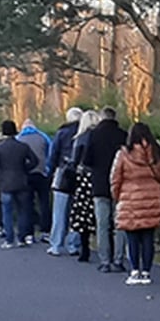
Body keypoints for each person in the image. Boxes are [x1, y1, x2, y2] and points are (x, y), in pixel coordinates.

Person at [111, 123, 160, 286]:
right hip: (151, 198)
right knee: (148, 237)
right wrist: (157, 191)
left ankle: (135, 270)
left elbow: (115, 178)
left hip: (130, 199)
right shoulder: (157, 153)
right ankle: (147, 272)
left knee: (133, 238)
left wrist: (118, 197)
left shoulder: (124, 154)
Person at [88, 107, 129, 273]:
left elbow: (87, 160)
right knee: (120, 223)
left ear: (101, 117)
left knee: (102, 224)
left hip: (100, 184)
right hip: (120, 185)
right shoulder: (123, 135)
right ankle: (118, 259)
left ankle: (105, 260)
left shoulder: (94, 135)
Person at [0, 120, 38, 249]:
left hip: (5, 183)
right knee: (23, 211)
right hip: (21, 181)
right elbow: (35, 161)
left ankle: (9, 239)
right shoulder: (23, 147)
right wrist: (25, 169)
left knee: (7, 212)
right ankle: (21, 238)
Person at [47, 107, 83, 256]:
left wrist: (50, 171)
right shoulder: (84, 133)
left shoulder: (62, 132)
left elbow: (53, 154)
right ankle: (73, 244)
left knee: (59, 212)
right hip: (80, 175)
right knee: (76, 212)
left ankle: (56, 244)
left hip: (63, 173)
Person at [69, 111, 101, 262]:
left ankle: (84, 248)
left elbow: (75, 160)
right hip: (99, 177)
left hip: (84, 179)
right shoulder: (99, 137)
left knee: (83, 214)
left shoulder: (80, 138)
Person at [18, 119, 53, 244]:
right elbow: (50, 154)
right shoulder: (43, 137)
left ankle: (29, 233)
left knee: (28, 204)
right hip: (42, 173)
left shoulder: (19, 138)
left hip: (26, 175)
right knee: (44, 203)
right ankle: (45, 232)